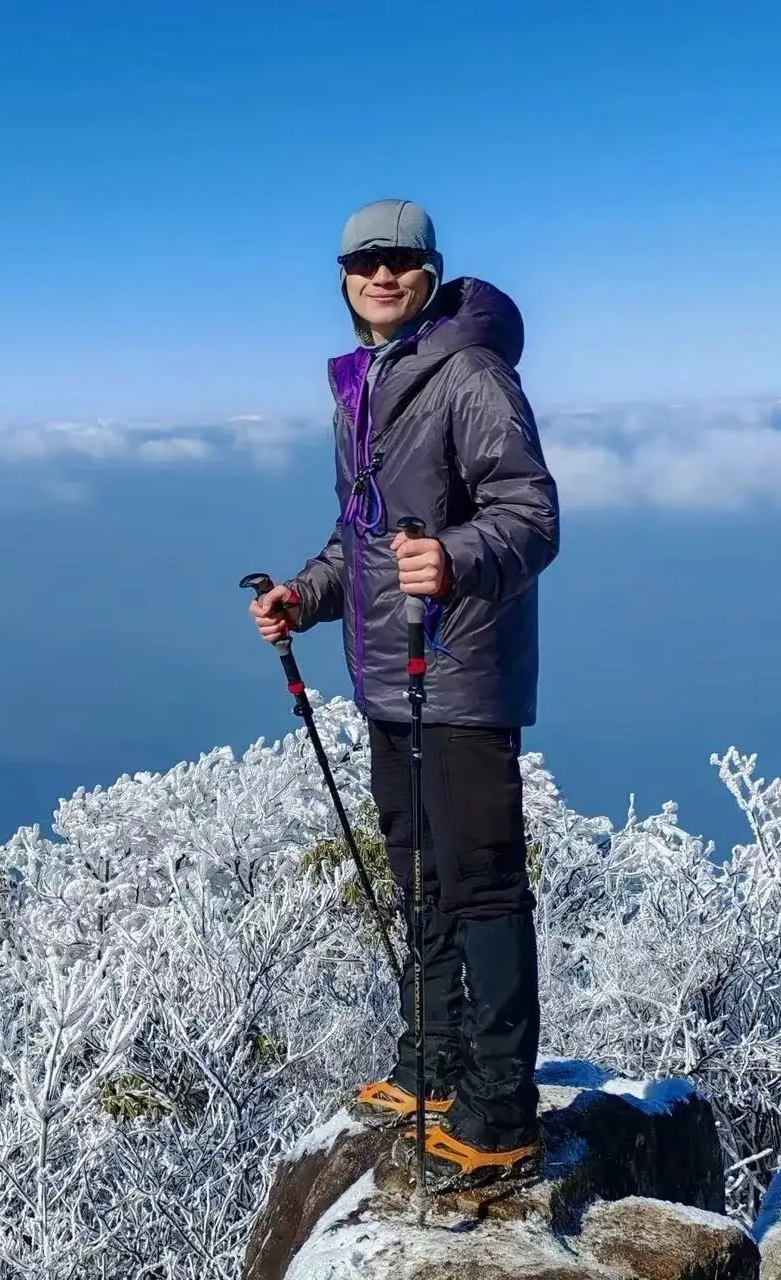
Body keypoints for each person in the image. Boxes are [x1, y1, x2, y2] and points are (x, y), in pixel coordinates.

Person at [249, 198, 560, 1191]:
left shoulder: (469, 372)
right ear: (342, 280)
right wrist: (303, 597)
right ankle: (431, 1059)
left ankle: (500, 1109)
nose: (380, 275)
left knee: (478, 883)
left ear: (430, 271)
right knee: (416, 871)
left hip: (462, 674)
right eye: (361, 262)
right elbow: (361, 536)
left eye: (399, 260)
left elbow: (531, 514)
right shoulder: (365, 385)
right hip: (388, 676)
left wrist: (456, 556)